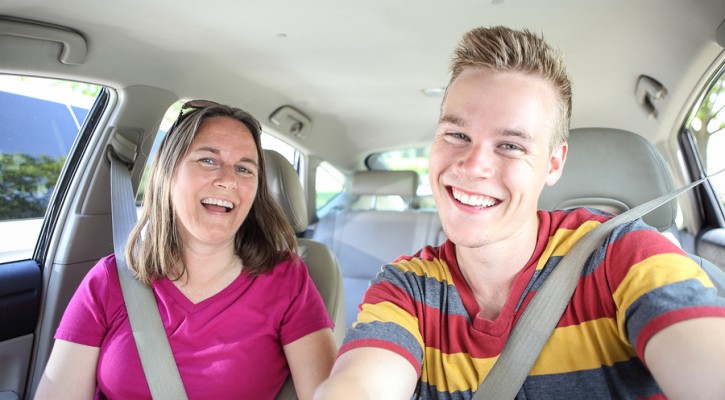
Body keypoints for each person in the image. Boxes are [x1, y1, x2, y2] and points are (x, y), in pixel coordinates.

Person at [314, 26, 725, 399]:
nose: (472, 165)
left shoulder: (623, 257)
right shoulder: (406, 290)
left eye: (510, 145)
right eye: (456, 134)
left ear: (553, 163)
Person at [36, 101, 337, 399]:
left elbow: (327, 394)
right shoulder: (110, 279)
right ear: (168, 173)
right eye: (208, 160)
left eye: (244, 168)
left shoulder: (285, 279)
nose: (228, 180)